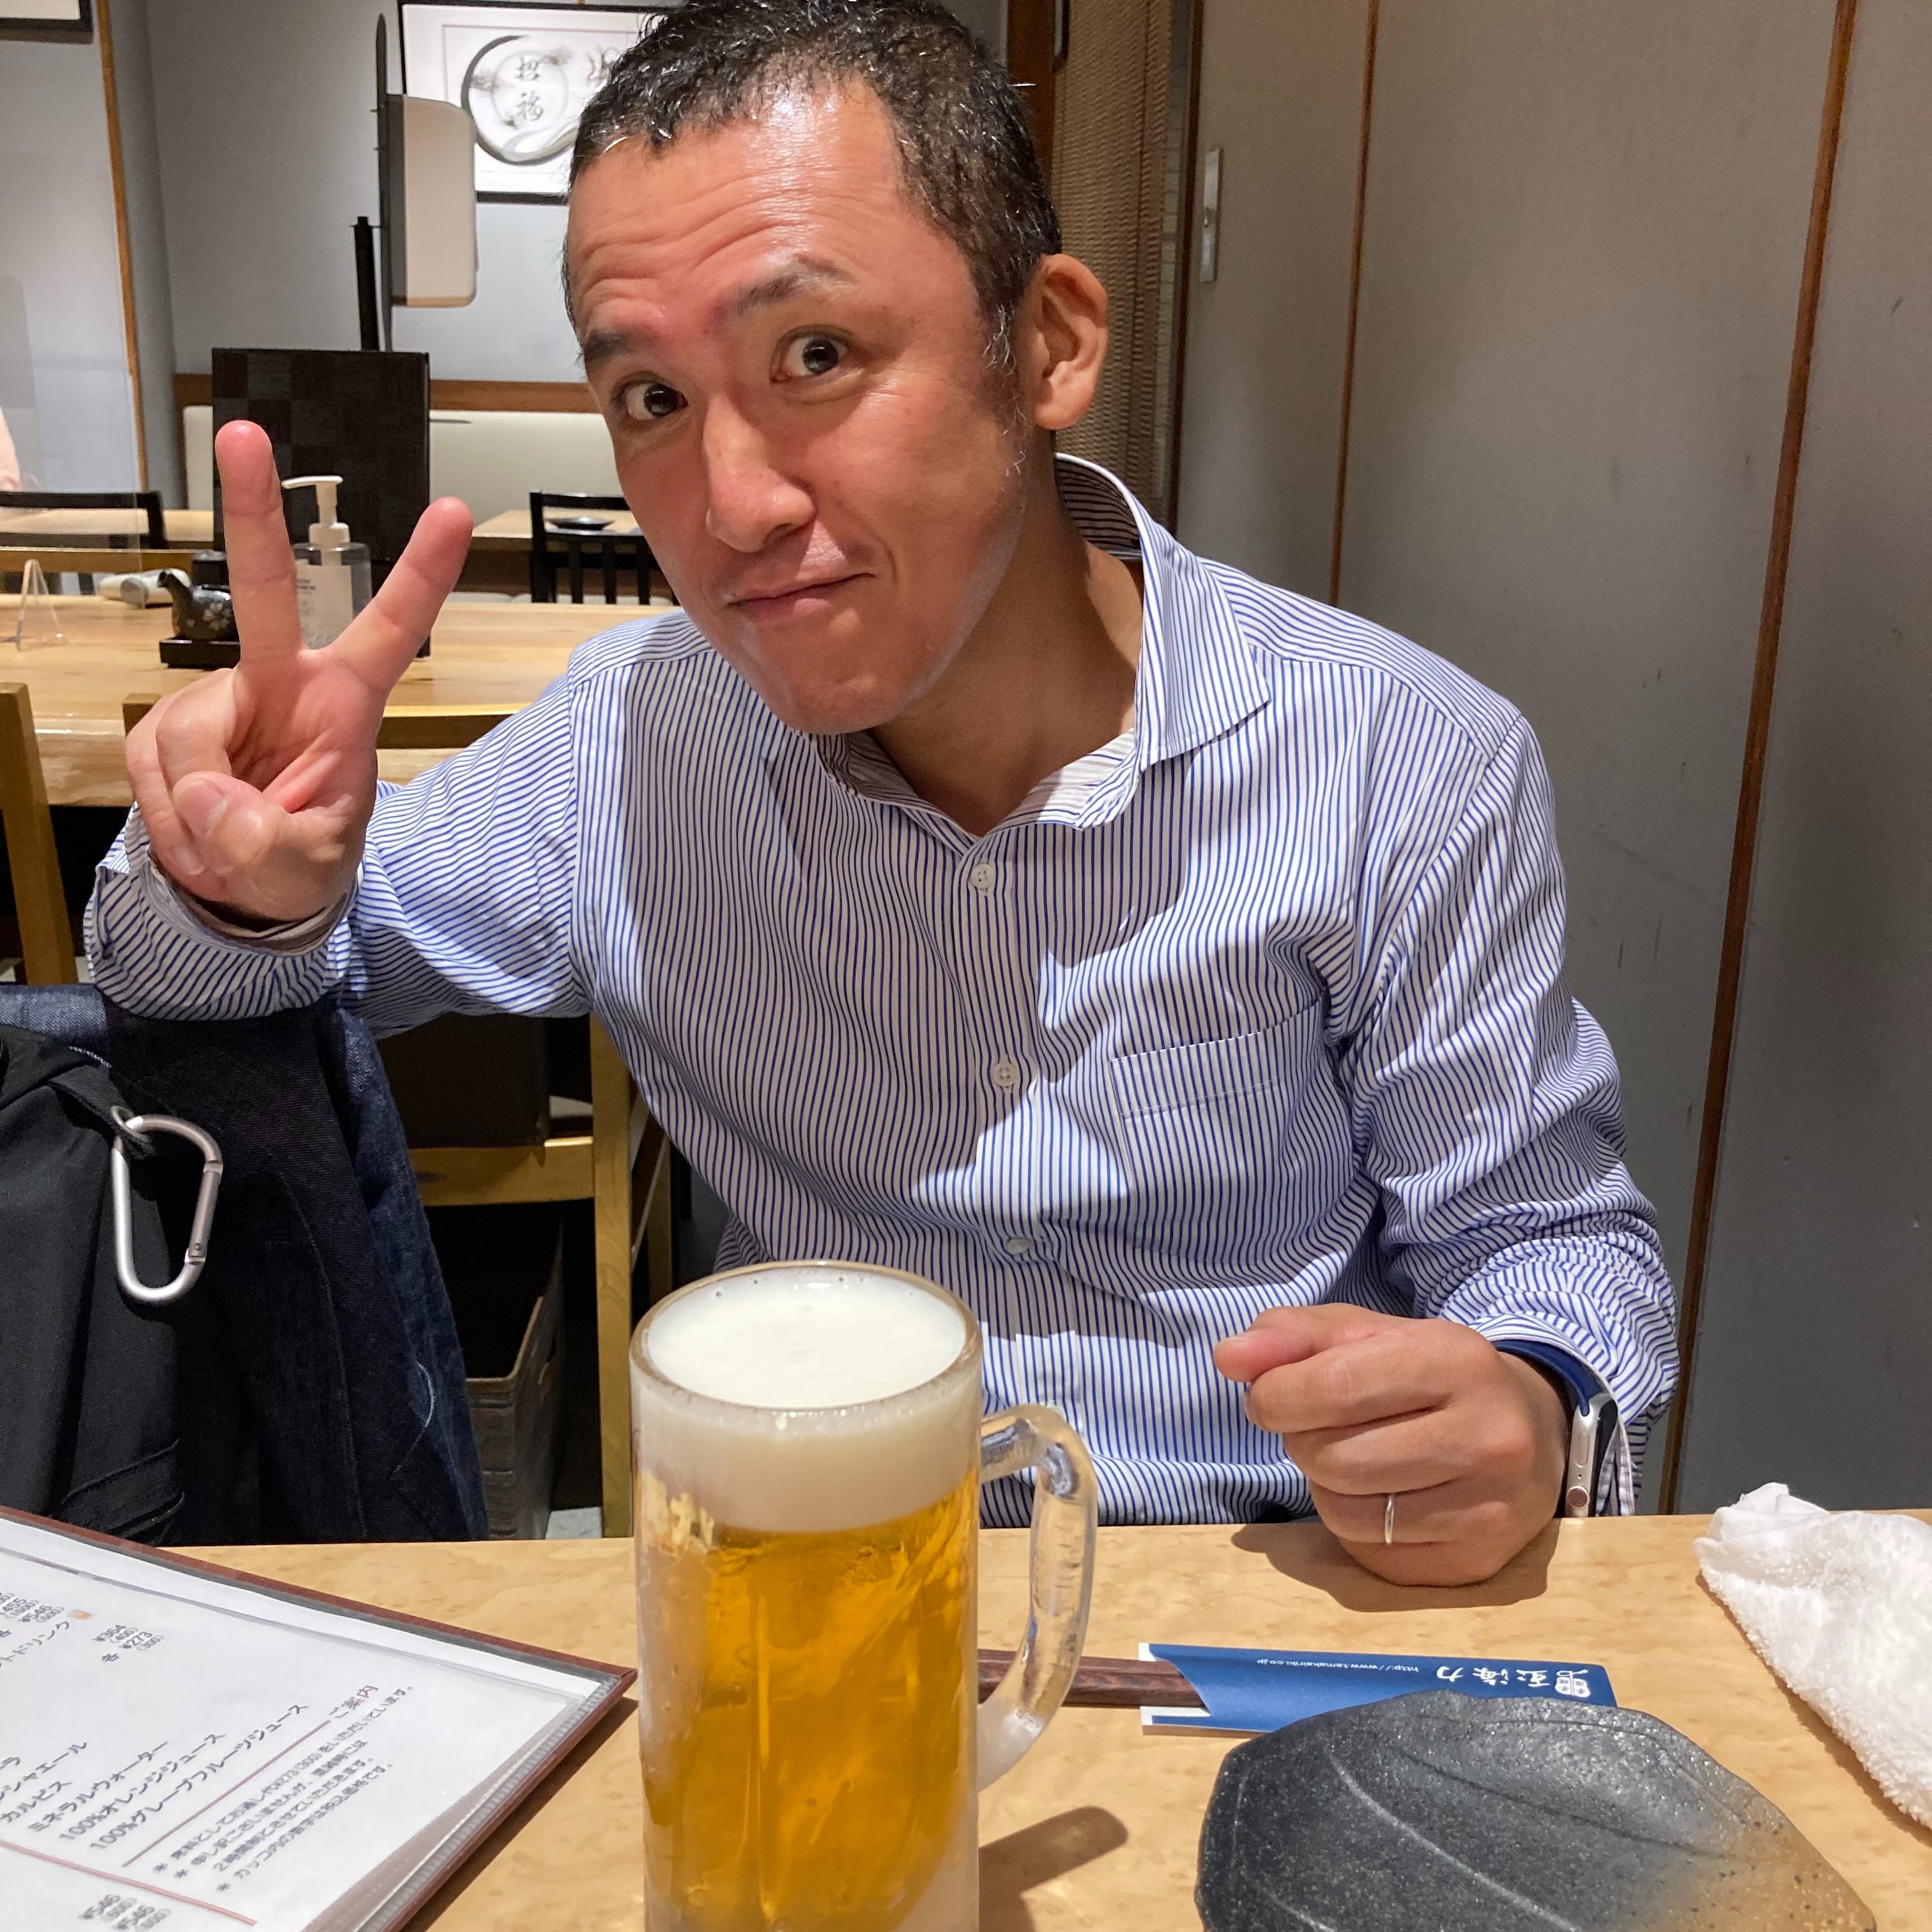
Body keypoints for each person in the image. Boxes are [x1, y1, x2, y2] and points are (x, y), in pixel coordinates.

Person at [89, 0, 1674, 1586]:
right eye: (651, 400)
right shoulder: (630, 746)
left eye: (817, 356)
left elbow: (1547, 1241)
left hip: (1264, 1581)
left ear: (1048, 343)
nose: (731, 506)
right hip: (823, 1578)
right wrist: (236, 883)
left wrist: (1534, 1402)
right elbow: (195, 996)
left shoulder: (1399, 757)